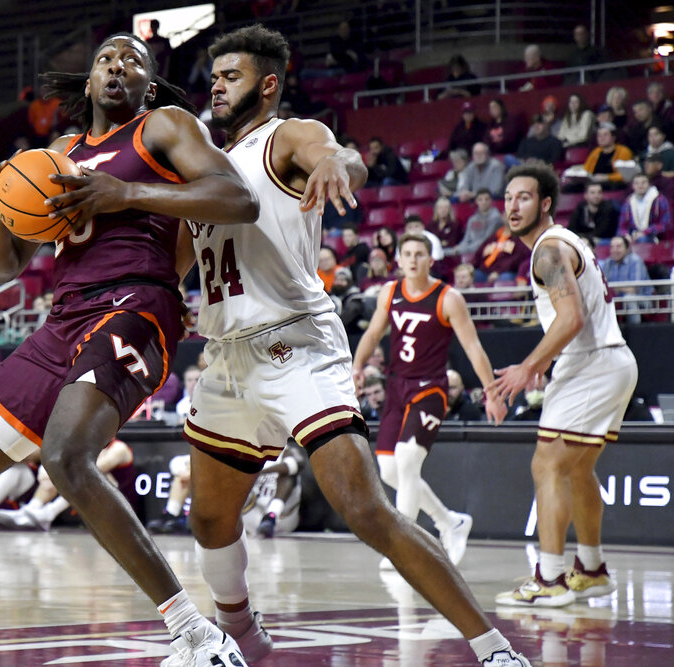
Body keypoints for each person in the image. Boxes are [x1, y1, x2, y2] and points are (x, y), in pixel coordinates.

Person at [0, 32, 258, 667]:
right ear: (87, 83)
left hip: (137, 305)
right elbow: (2, 266)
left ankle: (198, 637)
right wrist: (4, 204)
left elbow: (238, 200)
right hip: (64, 320)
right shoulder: (56, 154)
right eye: (107, 60)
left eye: (133, 62)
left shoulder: (165, 127)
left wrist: (128, 194)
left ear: (147, 83)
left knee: (66, 456)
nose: (119, 67)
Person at [180, 25, 530, 667]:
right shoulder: (208, 166)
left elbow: (337, 155)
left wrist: (339, 163)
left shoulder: (285, 135)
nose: (217, 85)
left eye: (230, 75)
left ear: (267, 84)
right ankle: (246, 640)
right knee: (208, 519)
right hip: (227, 356)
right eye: (214, 76)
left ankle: (495, 651)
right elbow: (180, 257)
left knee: (367, 509)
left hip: (294, 343)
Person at [491, 164, 638, 608]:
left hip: (591, 362)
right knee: (576, 469)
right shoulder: (565, 243)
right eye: (509, 197)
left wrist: (528, 366)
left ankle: (550, 578)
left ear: (546, 203)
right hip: (611, 360)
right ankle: (591, 569)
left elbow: (571, 318)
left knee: (548, 465)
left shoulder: (548, 252)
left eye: (524, 197)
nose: (513, 206)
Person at [352, 232, 507, 571]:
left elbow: (473, 348)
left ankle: (403, 545)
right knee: (390, 470)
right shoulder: (390, 293)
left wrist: (491, 393)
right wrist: (357, 366)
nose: (412, 259)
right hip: (396, 388)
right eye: (406, 253)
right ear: (398, 259)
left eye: (419, 254)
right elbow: (373, 333)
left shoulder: (448, 298)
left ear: (430, 259)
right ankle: (449, 521)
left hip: (430, 389)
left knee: (408, 462)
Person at [0, 438, 136, 530]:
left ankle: (47, 513)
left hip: (119, 504)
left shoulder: (119, 448)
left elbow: (90, 471)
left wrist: (56, 473)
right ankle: (33, 510)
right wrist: (48, 472)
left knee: (88, 476)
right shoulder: (90, 446)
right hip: (91, 501)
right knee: (60, 473)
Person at [243, 445, 307, 538]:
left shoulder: (288, 451)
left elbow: (297, 463)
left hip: (281, 517)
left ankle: (271, 516)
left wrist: (259, 473)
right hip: (251, 514)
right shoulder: (249, 450)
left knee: (290, 474)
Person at [599, 234, 653, 324]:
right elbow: (603, 286)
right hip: (617, 300)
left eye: (618, 247)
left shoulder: (635, 261)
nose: (614, 250)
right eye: (612, 247)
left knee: (629, 298)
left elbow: (634, 289)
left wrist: (615, 288)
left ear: (627, 249)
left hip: (643, 300)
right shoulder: (608, 262)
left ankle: (635, 331)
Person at [447, 189, 503, 258]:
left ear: (491, 201)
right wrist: (459, 248)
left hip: (487, 253)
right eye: (480, 199)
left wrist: (462, 249)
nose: (484, 202)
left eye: (487, 199)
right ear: (476, 201)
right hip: (469, 251)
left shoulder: (496, 218)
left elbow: (485, 241)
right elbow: (466, 239)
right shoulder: (472, 219)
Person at [617, 172, 672, 242]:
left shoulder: (660, 200)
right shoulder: (628, 202)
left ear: (649, 184)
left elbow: (665, 224)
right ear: (632, 186)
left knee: (643, 239)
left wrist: (646, 232)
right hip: (634, 234)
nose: (640, 186)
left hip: (654, 235)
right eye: (636, 183)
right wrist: (625, 235)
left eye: (643, 183)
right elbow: (622, 226)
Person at [585, 123, 634, 189]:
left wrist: (607, 177)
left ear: (613, 137)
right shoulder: (595, 152)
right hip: (594, 183)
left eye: (605, 135)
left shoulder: (624, 151)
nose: (602, 138)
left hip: (613, 183)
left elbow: (626, 176)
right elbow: (586, 170)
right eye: (599, 135)